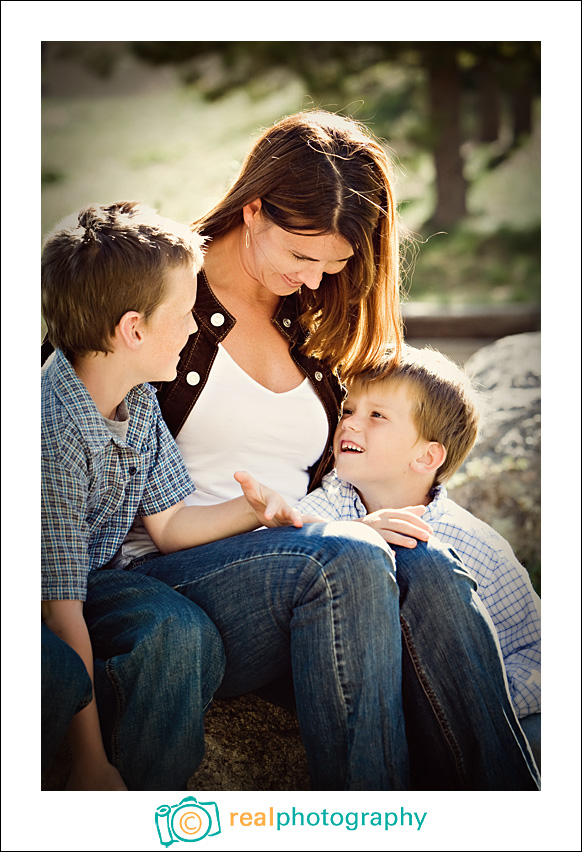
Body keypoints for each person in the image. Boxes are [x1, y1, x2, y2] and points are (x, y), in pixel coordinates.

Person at [110, 111, 539, 790]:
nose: (316, 280)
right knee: (351, 555)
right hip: (174, 574)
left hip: (309, 553)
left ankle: (513, 808)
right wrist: (333, 535)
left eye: (334, 263)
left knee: (422, 560)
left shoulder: (313, 315)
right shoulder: (157, 292)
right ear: (253, 210)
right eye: (302, 256)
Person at [41, 201, 306, 791]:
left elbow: (169, 524)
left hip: (97, 582)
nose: (195, 326)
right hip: (41, 595)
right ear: (133, 329)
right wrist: (88, 761)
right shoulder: (50, 428)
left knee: (180, 633)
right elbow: (57, 611)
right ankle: (93, 773)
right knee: (65, 665)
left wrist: (251, 511)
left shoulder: (136, 400)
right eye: (186, 312)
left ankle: (155, 793)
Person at [295, 344, 541, 771]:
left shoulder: (476, 545)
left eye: (377, 416)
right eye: (349, 410)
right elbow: (280, 560)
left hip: (465, 713)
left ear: (426, 456)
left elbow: (537, 650)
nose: (350, 423)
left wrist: (486, 706)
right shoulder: (323, 509)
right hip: (374, 708)